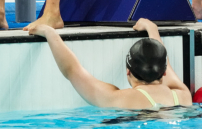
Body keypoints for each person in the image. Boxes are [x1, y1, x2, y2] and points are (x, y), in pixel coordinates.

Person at [29, 18, 191, 109]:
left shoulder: (118, 99)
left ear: (128, 71)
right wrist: (152, 28)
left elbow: (72, 70)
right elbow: (164, 62)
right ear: (163, 73)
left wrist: (49, 33)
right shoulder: (183, 96)